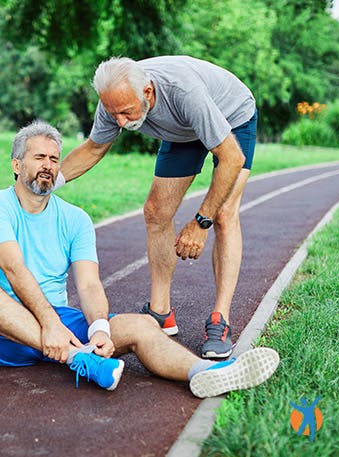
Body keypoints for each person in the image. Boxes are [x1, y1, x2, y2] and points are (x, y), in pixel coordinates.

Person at [0, 120, 279, 397]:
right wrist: (50, 326)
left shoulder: (76, 219)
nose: (48, 165)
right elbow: (14, 270)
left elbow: (88, 284)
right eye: (39, 157)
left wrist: (98, 328)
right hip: (5, 330)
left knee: (141, 324)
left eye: (54, 159)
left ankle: (205, 373)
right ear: (17, 165)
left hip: (61, 324)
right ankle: (77, 359)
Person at [55, 56, 258, 359]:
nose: (120, 123)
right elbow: (94, 147)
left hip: (231, 118)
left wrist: (201, 222)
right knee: (156, 211)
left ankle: (220, 320)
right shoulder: (114, 101)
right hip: (182, 131)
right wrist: (47, 182)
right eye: (114, 114)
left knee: (224, 214)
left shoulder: (183, 92)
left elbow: (232, 158)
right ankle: (161, 312)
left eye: (126, 112)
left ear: (147, 93)